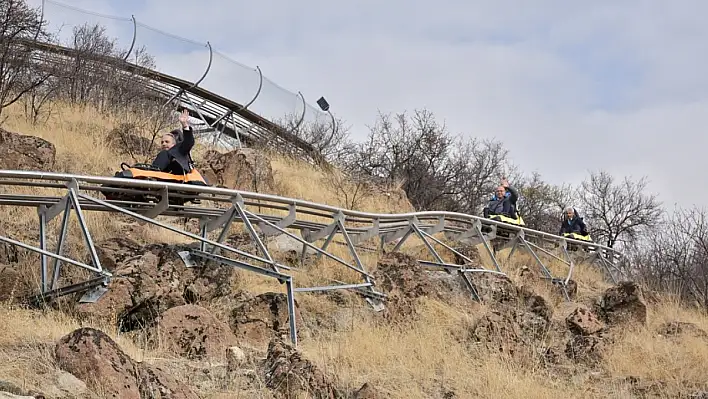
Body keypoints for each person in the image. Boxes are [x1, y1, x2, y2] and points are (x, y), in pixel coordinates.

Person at [152, 109, 195, 174]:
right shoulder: (162, 156)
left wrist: (185, 125)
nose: (163, 144)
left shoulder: (179, 150)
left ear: (174, 144)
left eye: (167, 142)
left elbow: (188, 142)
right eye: (162, 142)